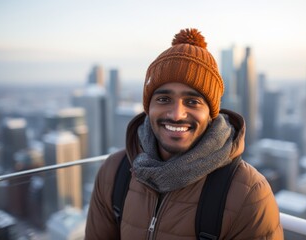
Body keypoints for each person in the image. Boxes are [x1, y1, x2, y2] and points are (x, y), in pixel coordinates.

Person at [85, 28, 284, 239]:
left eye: (192, 102)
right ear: (148, 107)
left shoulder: (248, 193)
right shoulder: (115, 173)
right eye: (163, 99)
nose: (177, 115)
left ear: (211, 113)